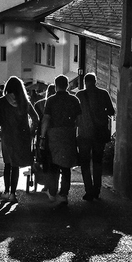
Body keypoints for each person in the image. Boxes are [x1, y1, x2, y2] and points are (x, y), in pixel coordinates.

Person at [0, 76, 39, 202]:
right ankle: (13, 193)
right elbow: (36, 118)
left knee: (7, 164)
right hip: (22, 137)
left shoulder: (2, 101)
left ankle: (6, 191)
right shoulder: (24, 101)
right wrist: (31, 132)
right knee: (15, 165)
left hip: (7, 136)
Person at [40, 74, 81, 204]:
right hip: (69, 133)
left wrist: (42, 136)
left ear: (56, 85)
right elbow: (79, 119)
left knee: (54, 164)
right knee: (66, 165)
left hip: (54, 134)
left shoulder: (51, 100)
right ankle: (63, 194)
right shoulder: (74, 100)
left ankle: (52, 192)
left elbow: (46, 119)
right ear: (67, 85)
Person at [76, 72, 116, 200]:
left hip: (84, 134)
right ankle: (97, 189)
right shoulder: (103, 94)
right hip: (99, 133)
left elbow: (76, 114)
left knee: (85, 162)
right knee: (98, 162)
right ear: (95, 81)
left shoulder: (80, 95)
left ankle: (88, 190)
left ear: (84, 82)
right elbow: (111, 111)